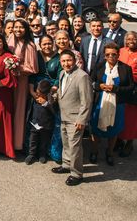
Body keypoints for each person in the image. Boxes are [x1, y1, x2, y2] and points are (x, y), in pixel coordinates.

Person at [89, 42, 134, 166]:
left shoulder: (125, 68)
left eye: (114, 54)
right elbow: (90, 82)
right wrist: (99, 86)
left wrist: (116, 89)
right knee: (96, 128)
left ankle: (109, 152)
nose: (111, 57)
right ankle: (94, 151)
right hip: (100, 102)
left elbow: (131, 87)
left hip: (117, 104)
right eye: (108, 54)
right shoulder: (98, 67)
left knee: (113, 130)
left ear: (118, 55)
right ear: (104, 56)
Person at [52, 50, 92, 186]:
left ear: (74, 60)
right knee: (66, 143)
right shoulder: (62, 73)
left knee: (75, 146)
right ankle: (66, 164)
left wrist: (82, 120)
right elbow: (61, 91)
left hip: (75, 119)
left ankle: (76, 174)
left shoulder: (82, 76)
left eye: (69, 60)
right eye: (63, 61)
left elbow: (86, 101)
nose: (66, 63)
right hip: (63, 115)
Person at [7, 19, 38, 153]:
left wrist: (17, 67)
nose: (18, 30)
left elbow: (33, 68)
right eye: (16, 27)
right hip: (8, 80)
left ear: (26, 29)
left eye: (21, 27)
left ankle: (17, 143)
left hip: (21, 81)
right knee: (8, 110)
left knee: (18, 111)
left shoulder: (30, 45)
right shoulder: (9, 40)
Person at [24, 79, 55, 165]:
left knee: (44, 141)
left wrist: (46, 103)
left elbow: (53, 111)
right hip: (35, 123)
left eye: (39, 93)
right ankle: (31, 154)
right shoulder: (35, 99)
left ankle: (42, 154)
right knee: (33, 139)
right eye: (37, 91)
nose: (37, 94)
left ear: (46, 93)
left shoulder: (50, 100)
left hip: (46, 125)